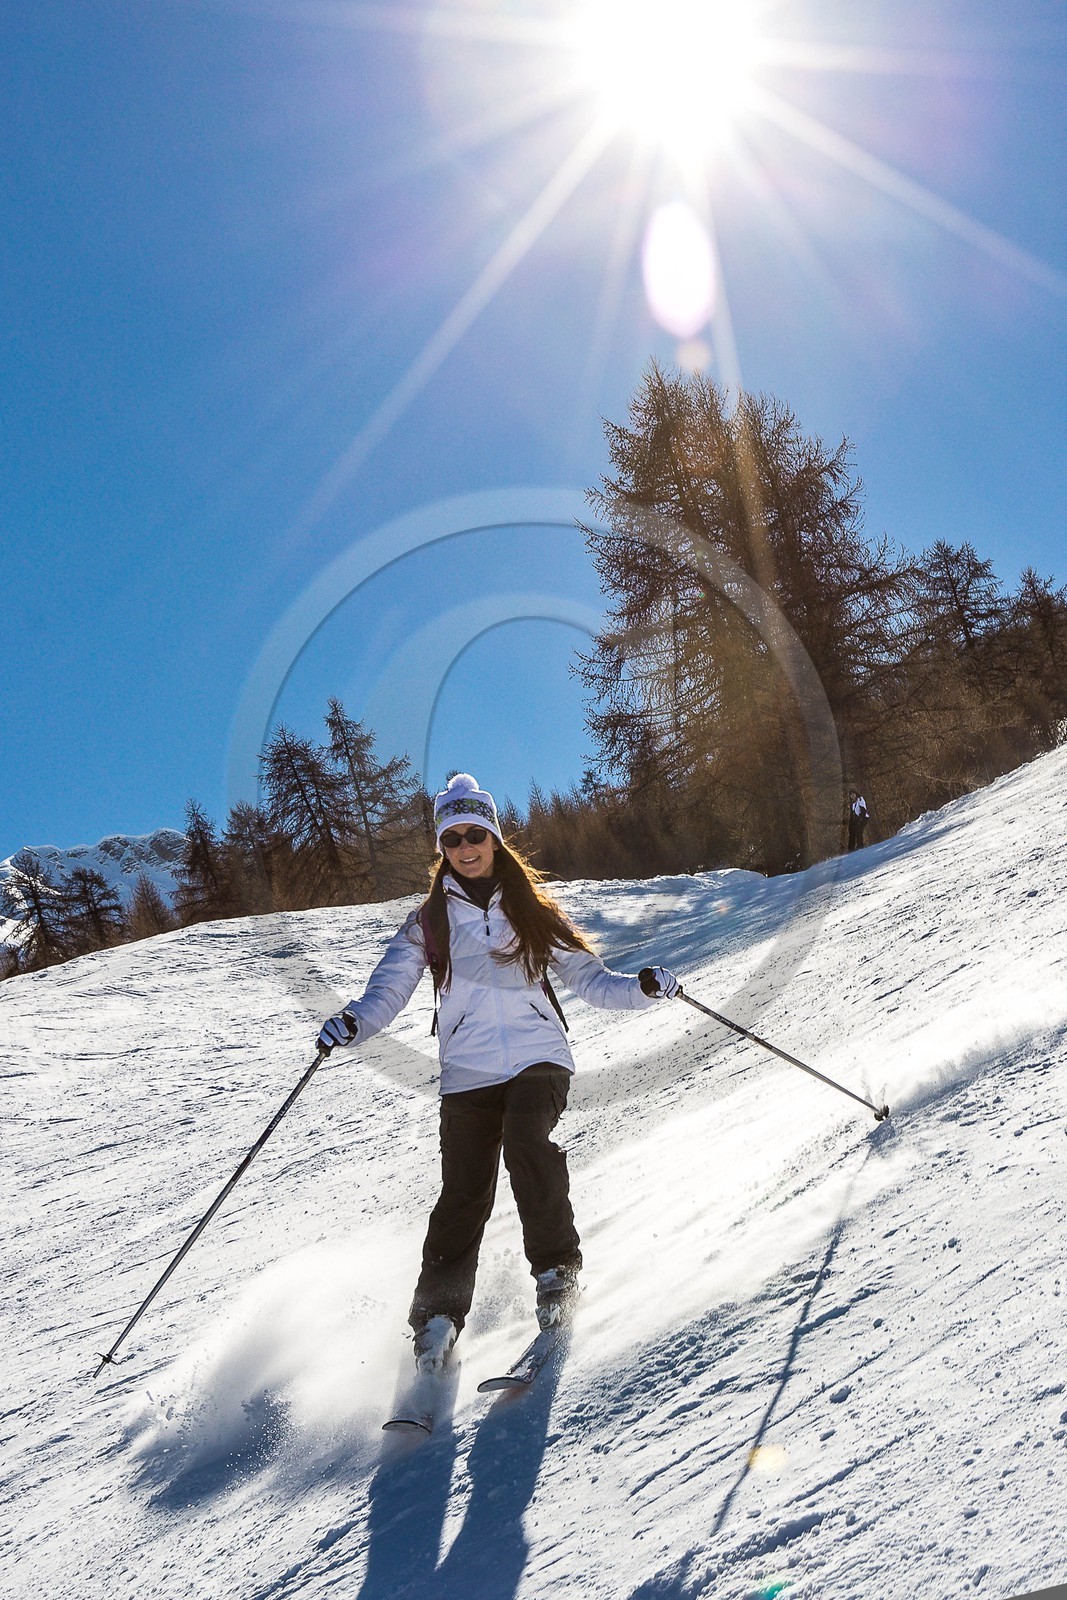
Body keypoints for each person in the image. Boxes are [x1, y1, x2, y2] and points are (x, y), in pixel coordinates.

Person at [316, 773, 680, 1373]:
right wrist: (353, 1021)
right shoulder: (428, 922)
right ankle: (436, 1321)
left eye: (475, 833)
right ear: (442, 847)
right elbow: (389, 989)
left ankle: (556, 1270)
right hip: (467, 1073)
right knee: (463, 1192)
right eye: (452, 836)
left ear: (493, 837)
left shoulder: (531, 910)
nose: (465, 845)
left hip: (540, 1056)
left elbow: (591, 981)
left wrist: (643, 988)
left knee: (526, 1141)